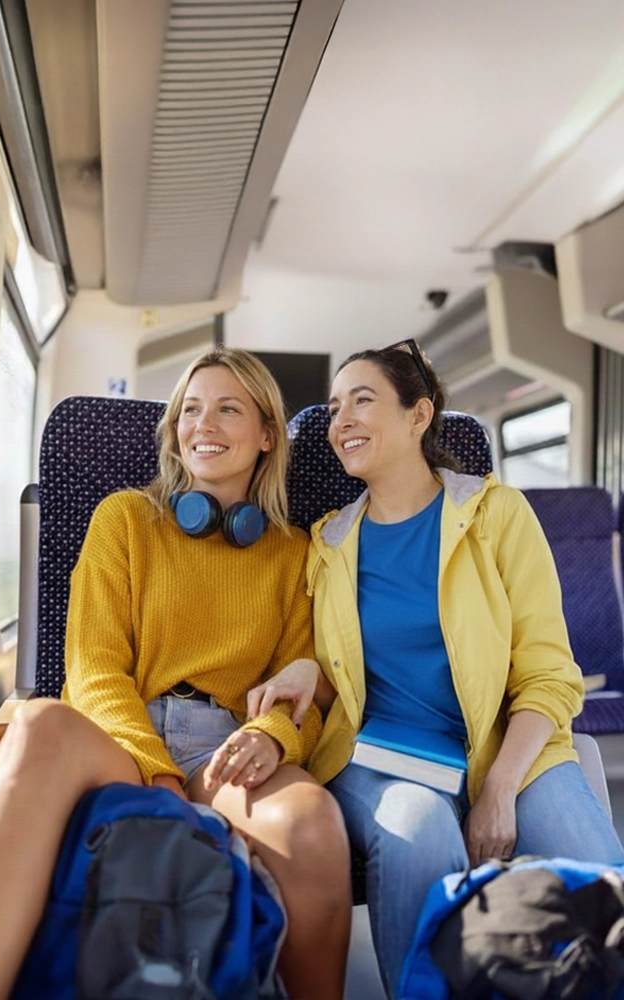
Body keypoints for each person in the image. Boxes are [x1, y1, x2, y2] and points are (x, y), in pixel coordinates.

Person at [0, 347, 351, 1000]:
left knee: (313, 827)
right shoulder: (125, 518)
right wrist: (155, 770)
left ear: (268, 434)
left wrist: (271, 737)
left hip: (224, 744)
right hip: (119, 735)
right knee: (38, 724)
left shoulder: (295, 553)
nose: (202, 425)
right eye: (190, 409)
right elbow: (94, 668)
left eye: (228, 409)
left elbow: (303, 691)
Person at [248, 340, 624, 999]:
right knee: (419, 831)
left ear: (419, 415)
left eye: (362, 400)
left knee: (601, 881)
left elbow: (549, 675)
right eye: (335, 408)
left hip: (508, 746)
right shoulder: (328, 543)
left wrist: (500, 789)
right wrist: (309, 668)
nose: (341, 421)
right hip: (380, 753)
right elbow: (336, 665)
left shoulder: (498, 515)